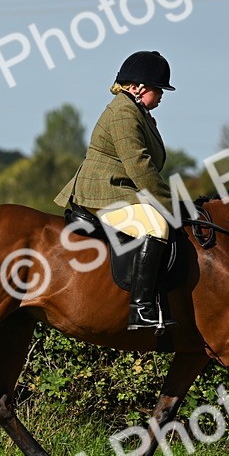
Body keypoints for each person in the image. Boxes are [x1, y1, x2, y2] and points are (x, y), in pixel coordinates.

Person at [54, 50, 178, 330]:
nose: (161, 95)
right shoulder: (124, 112)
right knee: (156, 226)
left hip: (119, 188)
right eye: (158, 90)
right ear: (138, 88)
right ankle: (142, 309)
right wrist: (170, 203)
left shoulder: (135, 110)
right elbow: (139, 165)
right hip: (103, 192)